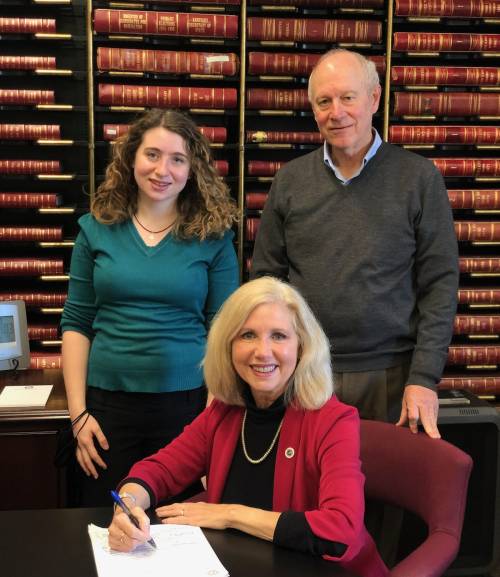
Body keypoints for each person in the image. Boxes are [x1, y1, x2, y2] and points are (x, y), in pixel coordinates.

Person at [107, 277, 388, 577]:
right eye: (248, 335)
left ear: (302, 346)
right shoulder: (224, 412)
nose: (263, 352)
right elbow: (158, 470)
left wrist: (229, 514)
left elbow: (340, 530)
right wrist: (127, 505)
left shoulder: (333, 420)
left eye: (279, 336)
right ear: (228, 345)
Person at [250, 49, 459, 439]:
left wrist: (424, 378)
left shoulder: (419, 178)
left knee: (386, 495)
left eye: (348, 97)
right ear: (313, 110)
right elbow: (266, 282)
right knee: (307, 496)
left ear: (374, 99)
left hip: (392, 378)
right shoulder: (290, 181)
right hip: (305, 372)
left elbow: (440, 287)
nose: (337, 112)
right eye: (324, 101)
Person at [60, 108, 239, 506]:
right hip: (106, 411)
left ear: (193, 169)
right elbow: (77, 322)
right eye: (152, 154)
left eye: (178, 159)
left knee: (178, 531)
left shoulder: (214, 237)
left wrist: (212, 424)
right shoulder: (95, 229)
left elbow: (224, 330)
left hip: (188, 409)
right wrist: (78, 416)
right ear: (132, 159)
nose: (163, 170)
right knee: (106, 525)